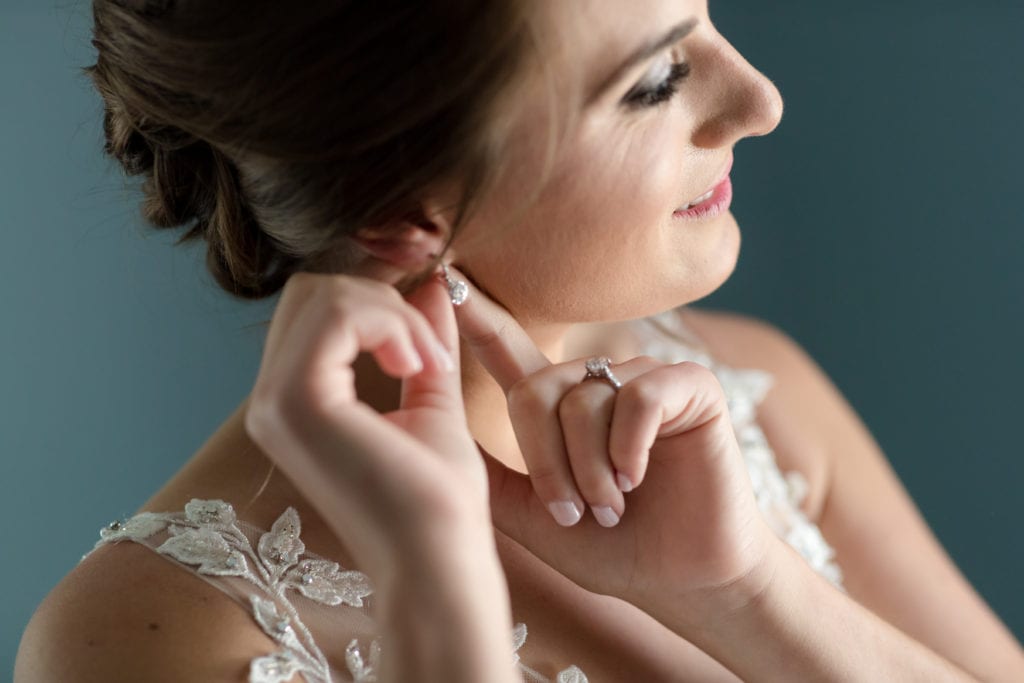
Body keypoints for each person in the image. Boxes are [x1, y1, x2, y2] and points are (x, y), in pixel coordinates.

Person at [14, 0, 1024, 680]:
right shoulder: (137, 640)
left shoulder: (754, 398)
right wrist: (436, 597)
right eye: (657, 82)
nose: (759, 100)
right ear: (401, 204)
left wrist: (747, 591)